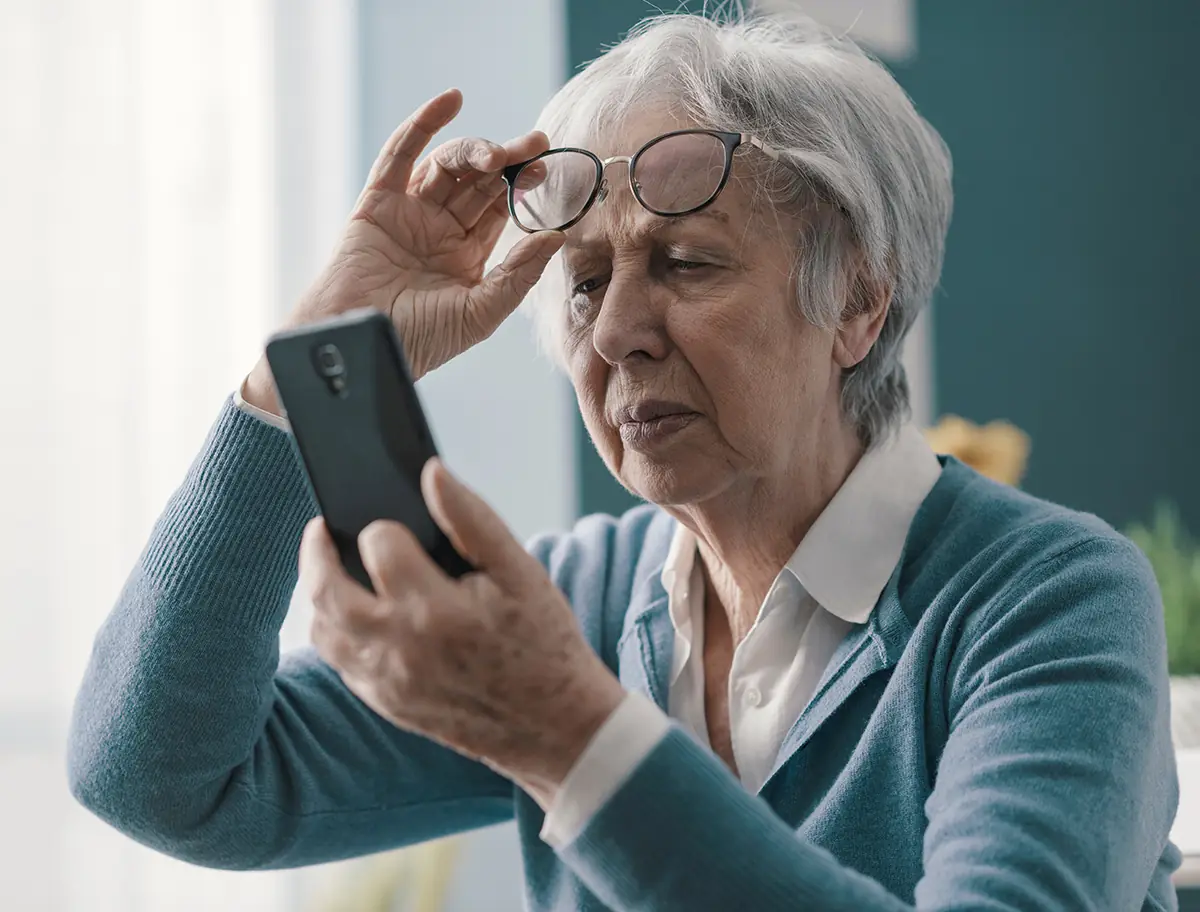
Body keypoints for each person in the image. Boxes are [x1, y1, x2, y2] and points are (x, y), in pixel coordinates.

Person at [68, 11, 1180, 910]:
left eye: (686, 262)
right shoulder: (582, 600)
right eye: (587, 281)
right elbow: (160, 780)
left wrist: (563, 733)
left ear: (856, 302)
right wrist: (307, 367)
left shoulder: (1050, 600)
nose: (613, 334)